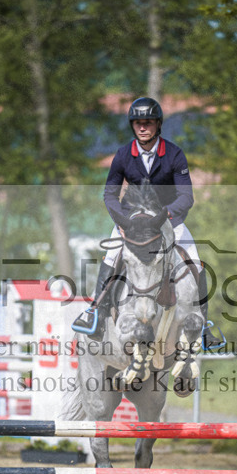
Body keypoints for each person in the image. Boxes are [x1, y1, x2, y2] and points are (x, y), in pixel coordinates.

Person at [73, 96, 221, 350]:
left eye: (148, 122)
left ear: (158, 124)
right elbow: (109, 194)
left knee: (196, 261)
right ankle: (96, 312)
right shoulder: (123, 155)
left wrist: (164, 217)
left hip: (168, 221)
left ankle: (204, 324)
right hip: (131, 222)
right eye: (138, 123)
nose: (143, 127)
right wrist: (121, 222)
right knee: (111, 256)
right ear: (133, 126)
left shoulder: (174, 154)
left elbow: (186, 197)